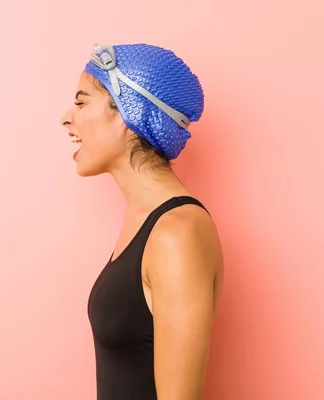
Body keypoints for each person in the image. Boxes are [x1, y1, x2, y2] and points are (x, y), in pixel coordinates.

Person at [60, 43, 225, 400]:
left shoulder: (176, 234)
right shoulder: (143, 221)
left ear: (126, 113)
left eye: (81, 101)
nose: (66, 118)